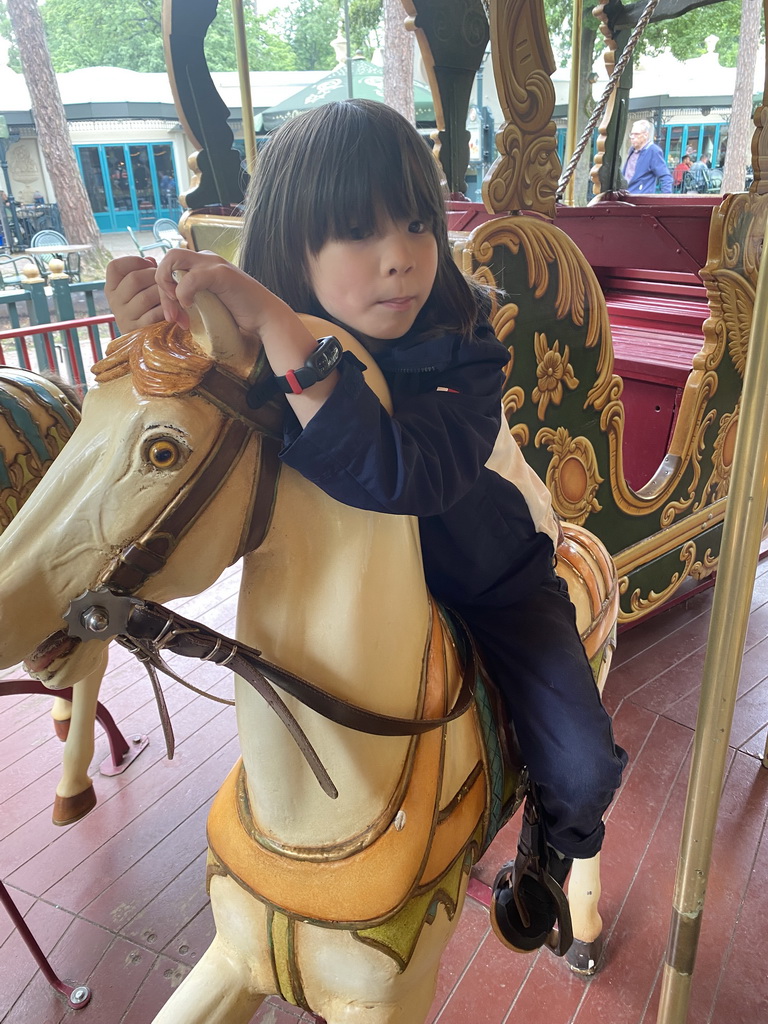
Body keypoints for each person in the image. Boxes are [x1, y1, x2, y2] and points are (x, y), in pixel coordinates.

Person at [105, 99, 627, 955]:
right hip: (343, 597)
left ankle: (549, 846)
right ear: (290, 251)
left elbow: (401, 472)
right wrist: (154, 328)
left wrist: (280, 325)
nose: (398, 259)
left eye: (417, 223)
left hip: (486, 577)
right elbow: (193, 441)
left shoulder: (463, 352)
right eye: (355, 232)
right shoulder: (265, 352)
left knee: (582, 764)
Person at [622, 119, 673, 194]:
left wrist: (666, 200)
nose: (632, 137)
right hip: (626, 196)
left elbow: (665, 177)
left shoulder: (653, 151)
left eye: (636, 134)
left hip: (640, 200)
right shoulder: (632, 150)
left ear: (646, 135)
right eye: (631, 134)